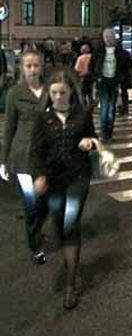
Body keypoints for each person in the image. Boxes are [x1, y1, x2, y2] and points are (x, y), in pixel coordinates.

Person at [29, 69, 96, 309]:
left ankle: (70, 284)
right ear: (49, 93)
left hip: (78, 176)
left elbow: (94, 139)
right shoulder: (42, 118)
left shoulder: (82, 113)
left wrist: (90, 143)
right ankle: (66, 249)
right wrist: (38, 176)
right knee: (59, 223)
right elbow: (35, 152)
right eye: (54, 92)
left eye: (63, 92)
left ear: (71, 92)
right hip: (54, 180)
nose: (58, 97)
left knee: (70, 223)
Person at [0, 50, 49, 263]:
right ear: (22, 67)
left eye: (36, 65)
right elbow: (9, 128)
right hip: (22, 156)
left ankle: (37, 228)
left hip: (46, 155)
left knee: (45, 201)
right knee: (31, 203)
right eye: (28, 66)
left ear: (42, 67)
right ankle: (36, 245)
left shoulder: (50, 91)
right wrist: (3, 160)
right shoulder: (14, 94)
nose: (32, 70)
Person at [90, 29, 131, 140]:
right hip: (102, 81)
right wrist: (96, 78)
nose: (108, 38)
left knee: (111, 108)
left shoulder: (120, 52)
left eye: (110, 36)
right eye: (106, 36)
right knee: (104, 107)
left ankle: (109, 132)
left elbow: (127, 67)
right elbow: (92, 67)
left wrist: (121, 78)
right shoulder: (99, 51)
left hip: (114, 82)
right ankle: (104, 132)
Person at [74, 43, 94, 107]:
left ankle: (84, 105)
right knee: (90, 91)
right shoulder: (92, 57)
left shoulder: (80, 58)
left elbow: (77, 69)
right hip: (92, 76)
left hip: (83, 77)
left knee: (83, 92)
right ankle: (91, 103)